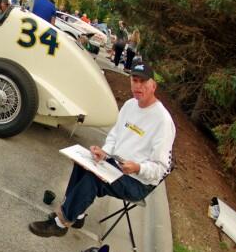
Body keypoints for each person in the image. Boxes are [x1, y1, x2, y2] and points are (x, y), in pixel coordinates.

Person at [28, 63, 174, 238]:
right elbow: (114, 135)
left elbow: (160, 168)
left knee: (94, 178)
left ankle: (61, 223)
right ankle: (78, 214)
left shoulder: (163, 121)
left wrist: (137, 168)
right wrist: (104, 152)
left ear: (153, 85)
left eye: (143, 82)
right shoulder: (130, 105)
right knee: (83, 163)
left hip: (137, 181)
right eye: (134, 80)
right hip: (116, 163)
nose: (138, 86)